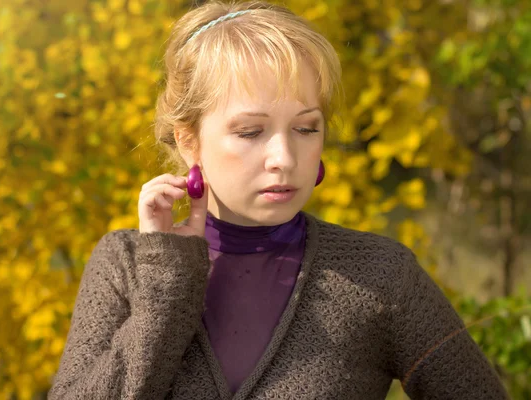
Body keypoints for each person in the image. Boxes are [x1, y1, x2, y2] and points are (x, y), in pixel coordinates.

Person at [48, 1, 510, 399]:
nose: (284, 158)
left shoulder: (380, 276)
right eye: (251, 132)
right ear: (189, 139)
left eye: (307, 128)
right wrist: (166, 282)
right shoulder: (124, 264)